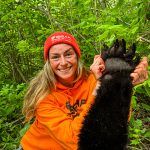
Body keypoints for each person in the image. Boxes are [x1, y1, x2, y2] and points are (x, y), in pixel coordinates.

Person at [20, 31, 148, 150]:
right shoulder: (43, 97)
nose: (63, 62)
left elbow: (115, 122)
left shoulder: (93, 79)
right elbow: (74, 140)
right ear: (48, 62)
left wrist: (121, 85)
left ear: (77, 56)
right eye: (55, 57)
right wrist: (99, 89)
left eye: (68, 54)